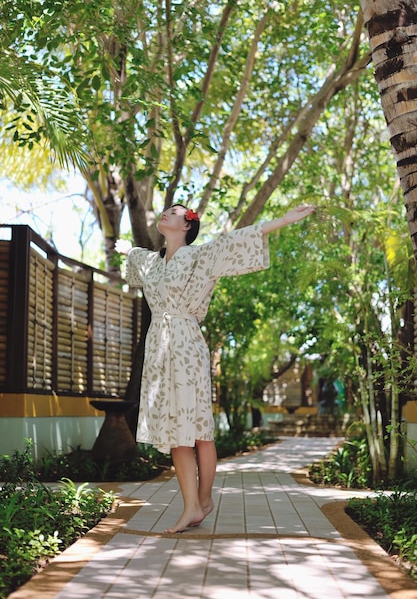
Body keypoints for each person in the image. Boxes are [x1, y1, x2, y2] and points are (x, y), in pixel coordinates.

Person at [116, 203, 316, 533]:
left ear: (187, 226)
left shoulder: (200, 256)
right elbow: (133, 257)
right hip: (159, 347)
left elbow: (235, 240)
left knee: (199, 431)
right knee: (176, 433)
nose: (166, 213)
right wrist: (126, 249)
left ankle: (204, 500)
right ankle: (191, 506)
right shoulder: (150, 262)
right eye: (166, 210)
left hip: (187, 344)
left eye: (175, 212)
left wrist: (282, 220)